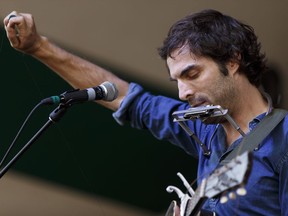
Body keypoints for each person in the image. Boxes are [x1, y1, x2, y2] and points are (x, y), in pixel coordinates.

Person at [3, 9, 288, 216]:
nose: (182, 93)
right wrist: (40, 47)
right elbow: (126, 97)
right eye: (176, 81)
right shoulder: (204, 127)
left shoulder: (283, 139)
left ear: (233, 60)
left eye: (192, 73)